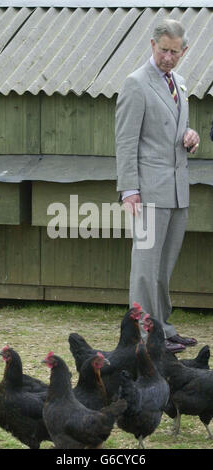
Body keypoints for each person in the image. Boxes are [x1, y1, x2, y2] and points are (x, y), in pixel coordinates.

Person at [115, 18, 200, 353]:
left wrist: (189, 137)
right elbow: (125, 142)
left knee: (164, 268)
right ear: (152, 45)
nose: (168, 57)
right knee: (145, 269)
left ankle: (163, 329)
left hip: (178, 191)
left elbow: (174, 130)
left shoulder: (178, 81)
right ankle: (145, 338)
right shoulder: (135, 83)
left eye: (175, 52)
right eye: (163, 50)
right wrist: (129, 190)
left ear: (184, 50)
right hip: (147, 192)